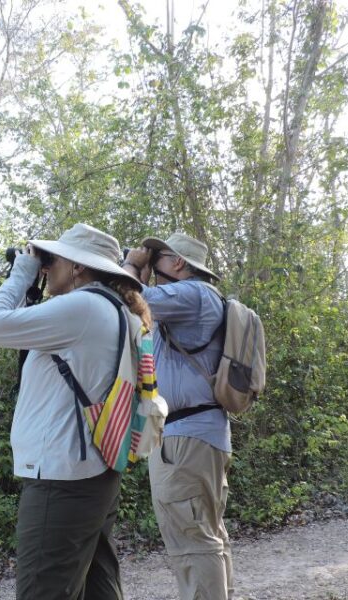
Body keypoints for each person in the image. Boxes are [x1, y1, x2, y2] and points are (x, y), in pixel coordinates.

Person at [0, 223, 151, 600]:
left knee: (44, 591)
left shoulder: (83, 307)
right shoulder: (113, 308)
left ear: (77, 267)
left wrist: (21, 276)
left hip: (62, 478)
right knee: (98, 589)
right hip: (94, 472)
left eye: (54, 259)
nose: (47, 266)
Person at [122, 233, 233, 600]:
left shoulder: (194, 293)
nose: (152, 264)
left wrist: (132, 265)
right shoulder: (197, 298)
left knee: (192, 541)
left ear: (179, 264)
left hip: (186, 440)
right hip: (199, 436)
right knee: (207, 534)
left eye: (158, 258)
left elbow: (132, 301)